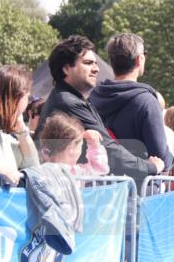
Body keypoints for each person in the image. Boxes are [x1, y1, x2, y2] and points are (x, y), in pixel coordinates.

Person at [37, 35, 163, 186]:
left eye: (96, 63)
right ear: (66, 68)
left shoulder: (69, 99)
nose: (96, 69)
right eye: (88, 63)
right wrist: (149, 167)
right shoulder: (67, 102)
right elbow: (108, 149)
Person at [89, 32, 174, 171]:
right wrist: (171, 159)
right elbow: (161, 156)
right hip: (141, 187)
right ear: (139, 59)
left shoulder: (92, 98)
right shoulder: (146, 101)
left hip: (102, 185)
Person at [0, 64, 39, 187]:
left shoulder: (4, 136)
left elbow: (32, 165)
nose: (27, 102)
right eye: (27, 96)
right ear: (16, 97)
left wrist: (21, 128)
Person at [39, 113, 109, 176]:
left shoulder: (40, 170)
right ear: (71, 148)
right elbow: (100, 168)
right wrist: (94, 145)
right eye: (81, 145)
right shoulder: (75, 171)